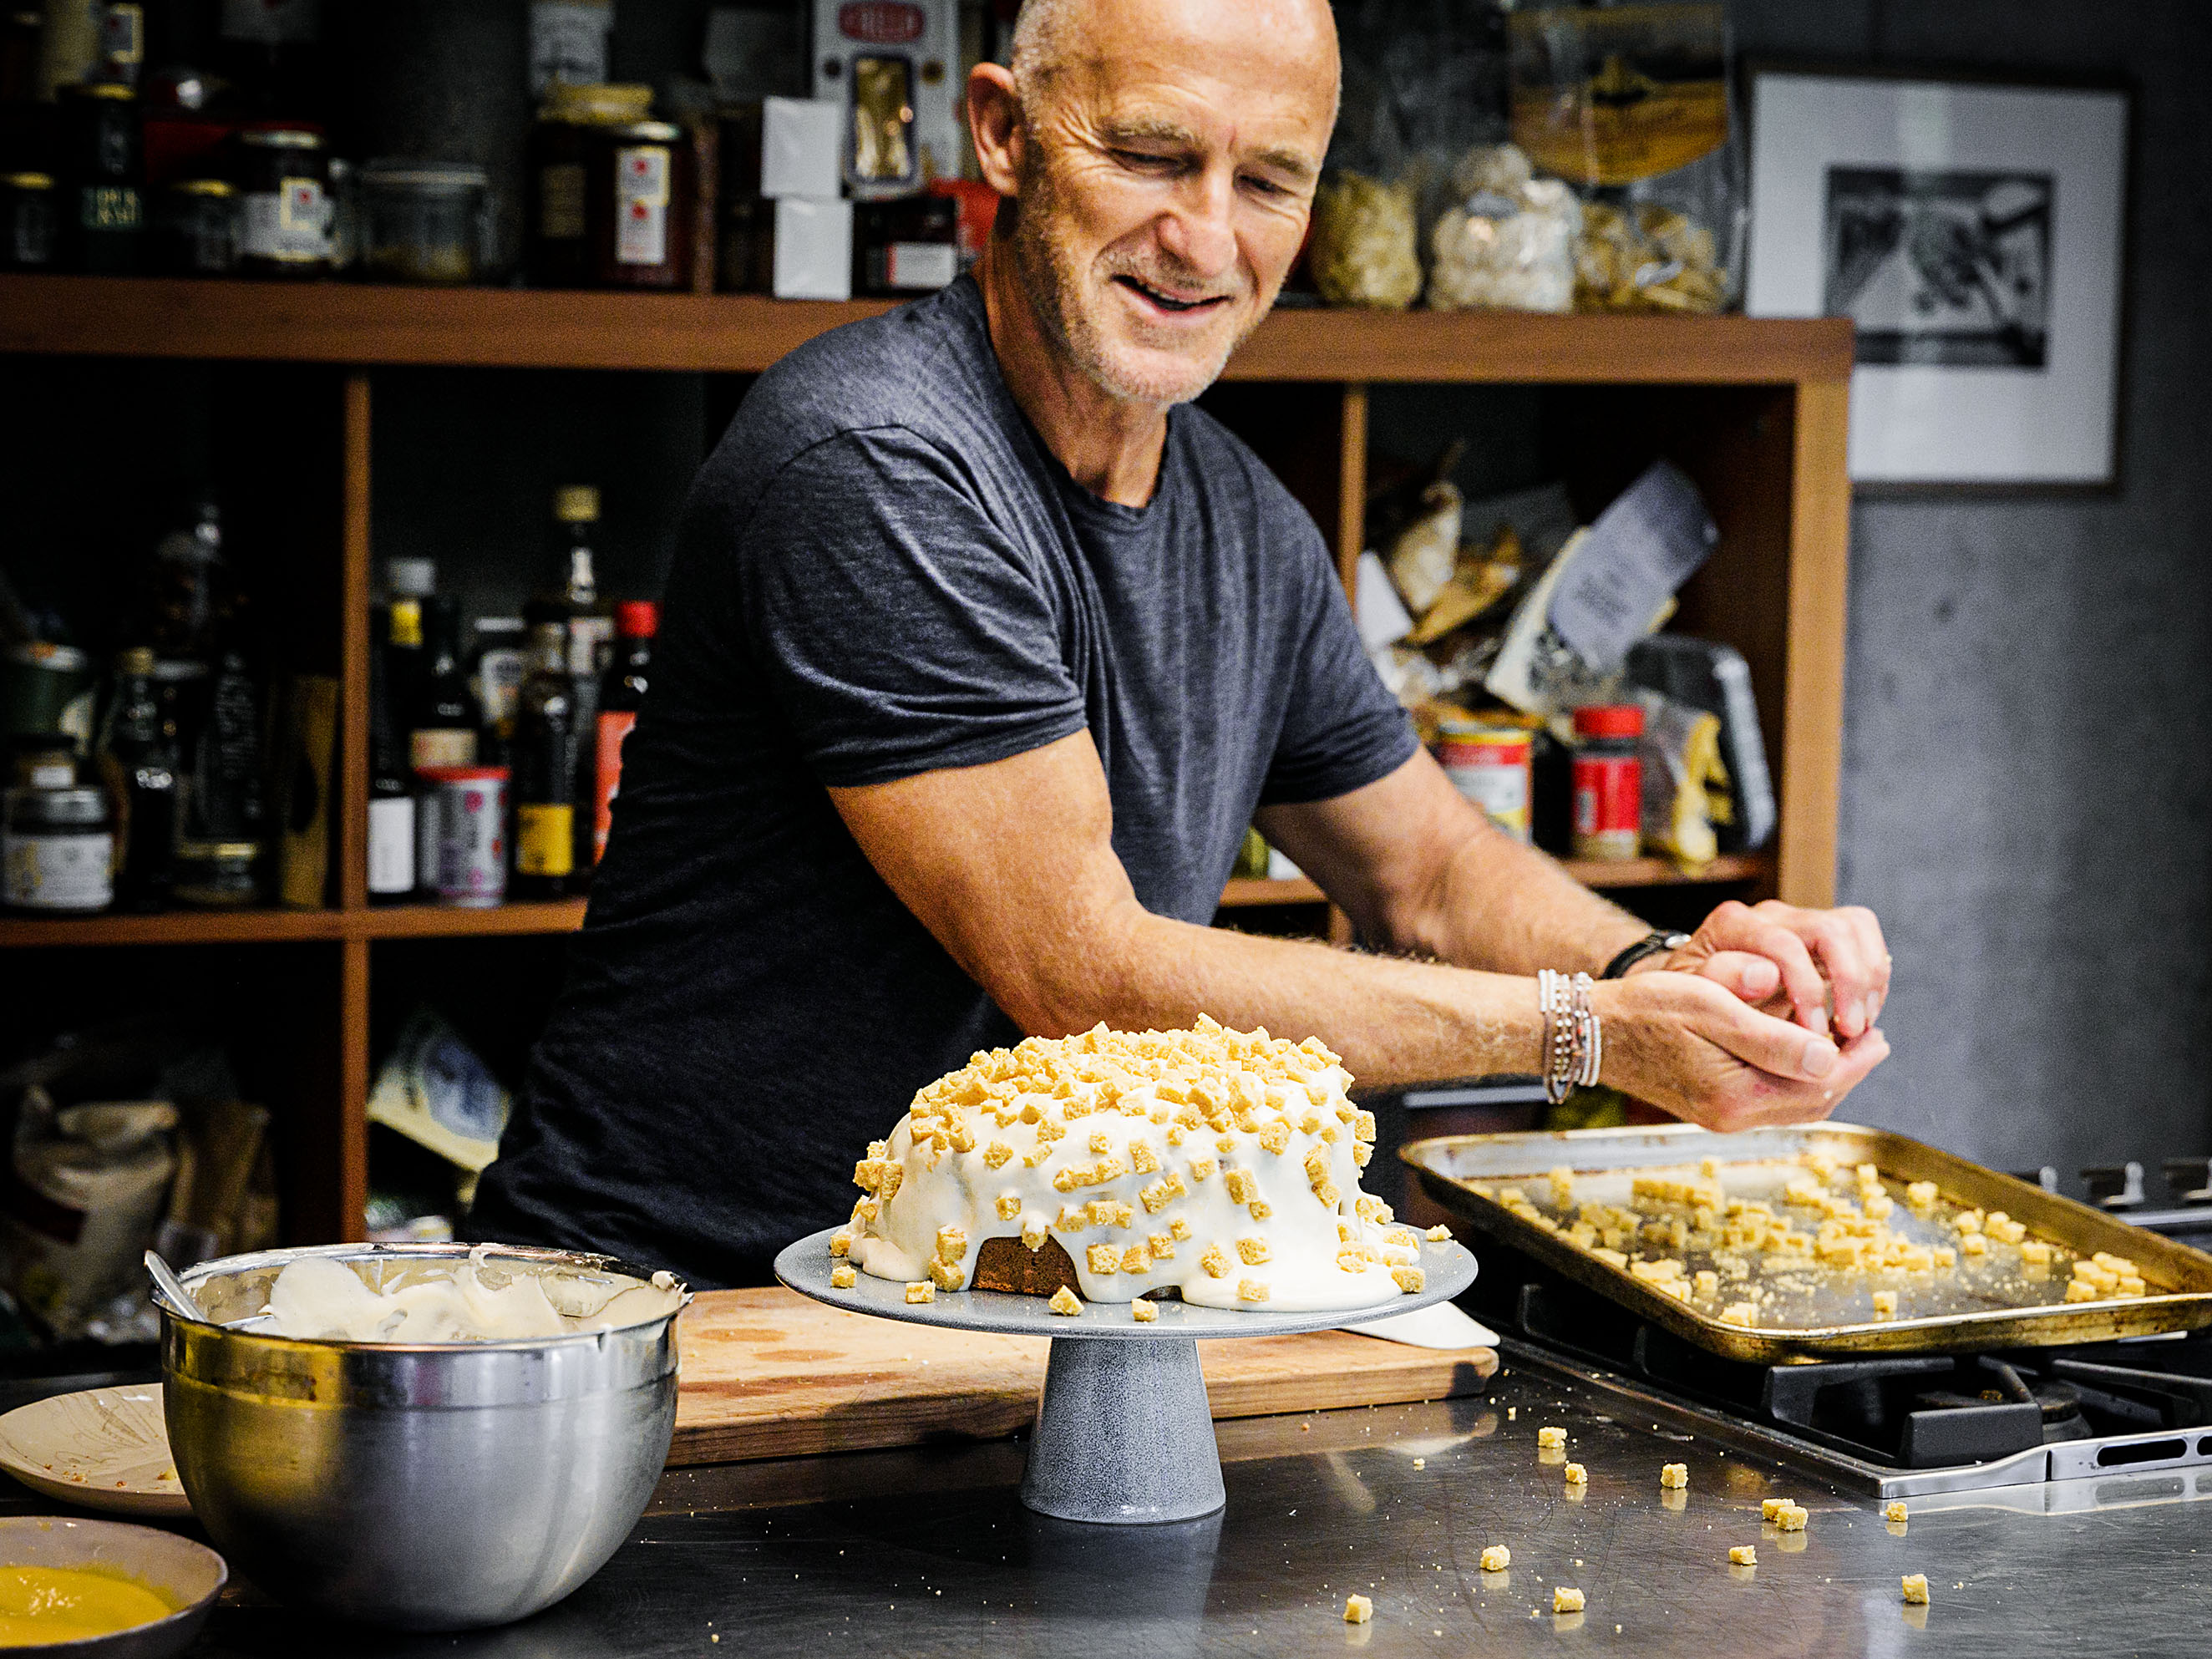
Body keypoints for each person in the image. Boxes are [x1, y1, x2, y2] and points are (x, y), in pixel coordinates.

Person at [470, 0, 1890, 1288]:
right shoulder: (872, 461)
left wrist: (1671, 971)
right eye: (1152, 156)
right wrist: (1584, 1032)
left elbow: (1432, 867)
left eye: (1268, 180)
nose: (1207, 238)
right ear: (1003, 135)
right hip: (677, 1305)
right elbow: (1081, 971)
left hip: (1003, 1307)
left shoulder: (1243, 518)